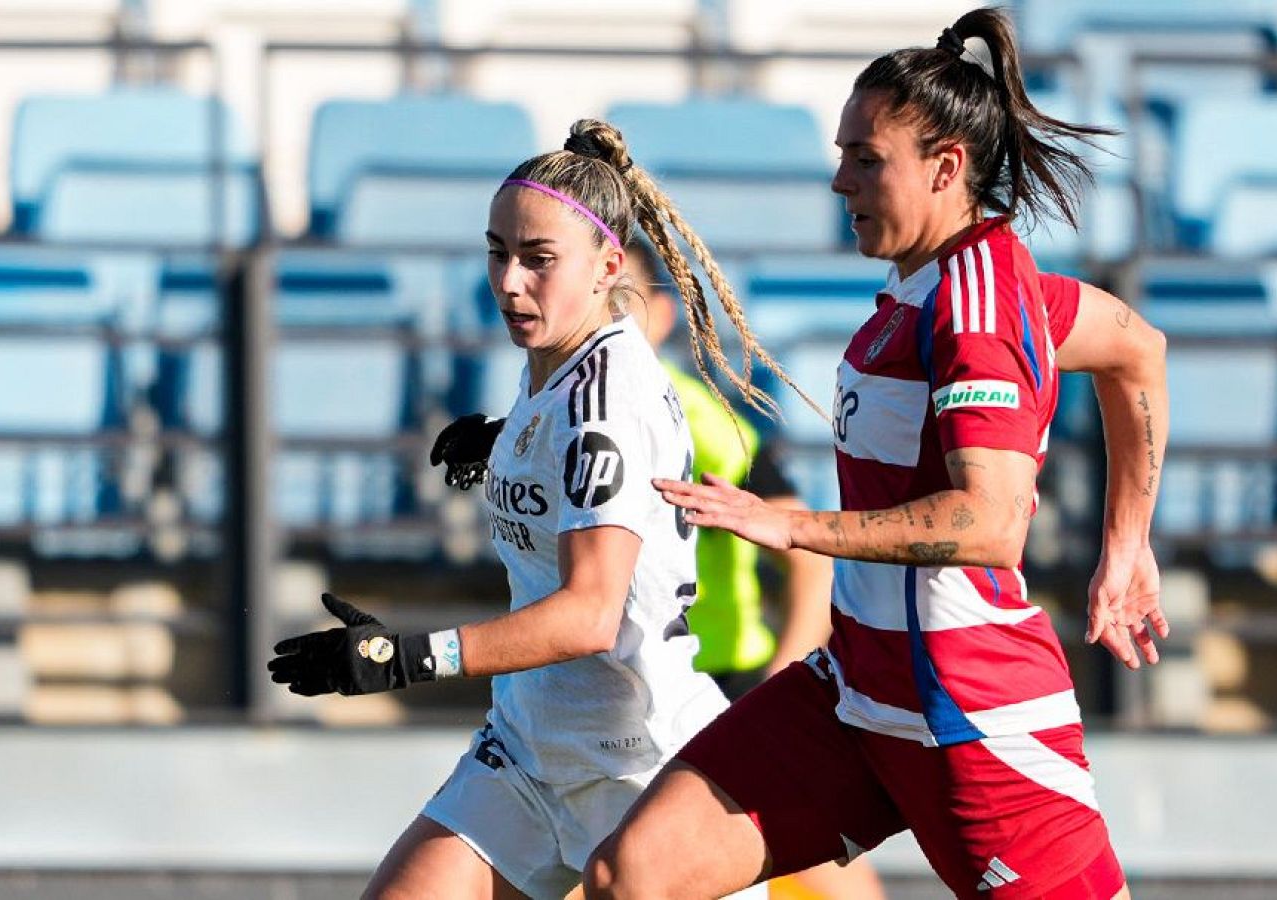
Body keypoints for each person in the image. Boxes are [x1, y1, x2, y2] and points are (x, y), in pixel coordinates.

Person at [583, 9, 1170, 900]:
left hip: (971, 715)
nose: (838, 180)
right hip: (856, 691)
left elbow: (991, 522)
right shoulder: (953, 283)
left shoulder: (972, 308)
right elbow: (1139, 350)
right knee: (634, 873)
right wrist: (1128, 544)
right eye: (841, 153)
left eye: (867, 160)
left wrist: (797, 527)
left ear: (946, 169)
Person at [267, 118, 801, 900]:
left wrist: (407, 657)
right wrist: (509, 437)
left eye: (538, 260)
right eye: (497, 252)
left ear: (607, 265)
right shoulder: (558, 360)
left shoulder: (603, 401)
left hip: (636, 764)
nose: (510, 281)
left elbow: (589, 615)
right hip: (527, 751)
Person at [622, 245, 886, 900]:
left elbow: (806, 549)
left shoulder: (696, 419)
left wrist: (787, 668)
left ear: (662, 315)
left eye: (625, 301)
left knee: (816, 871)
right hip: (614, 686)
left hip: (715, 683)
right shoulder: (554, 418)